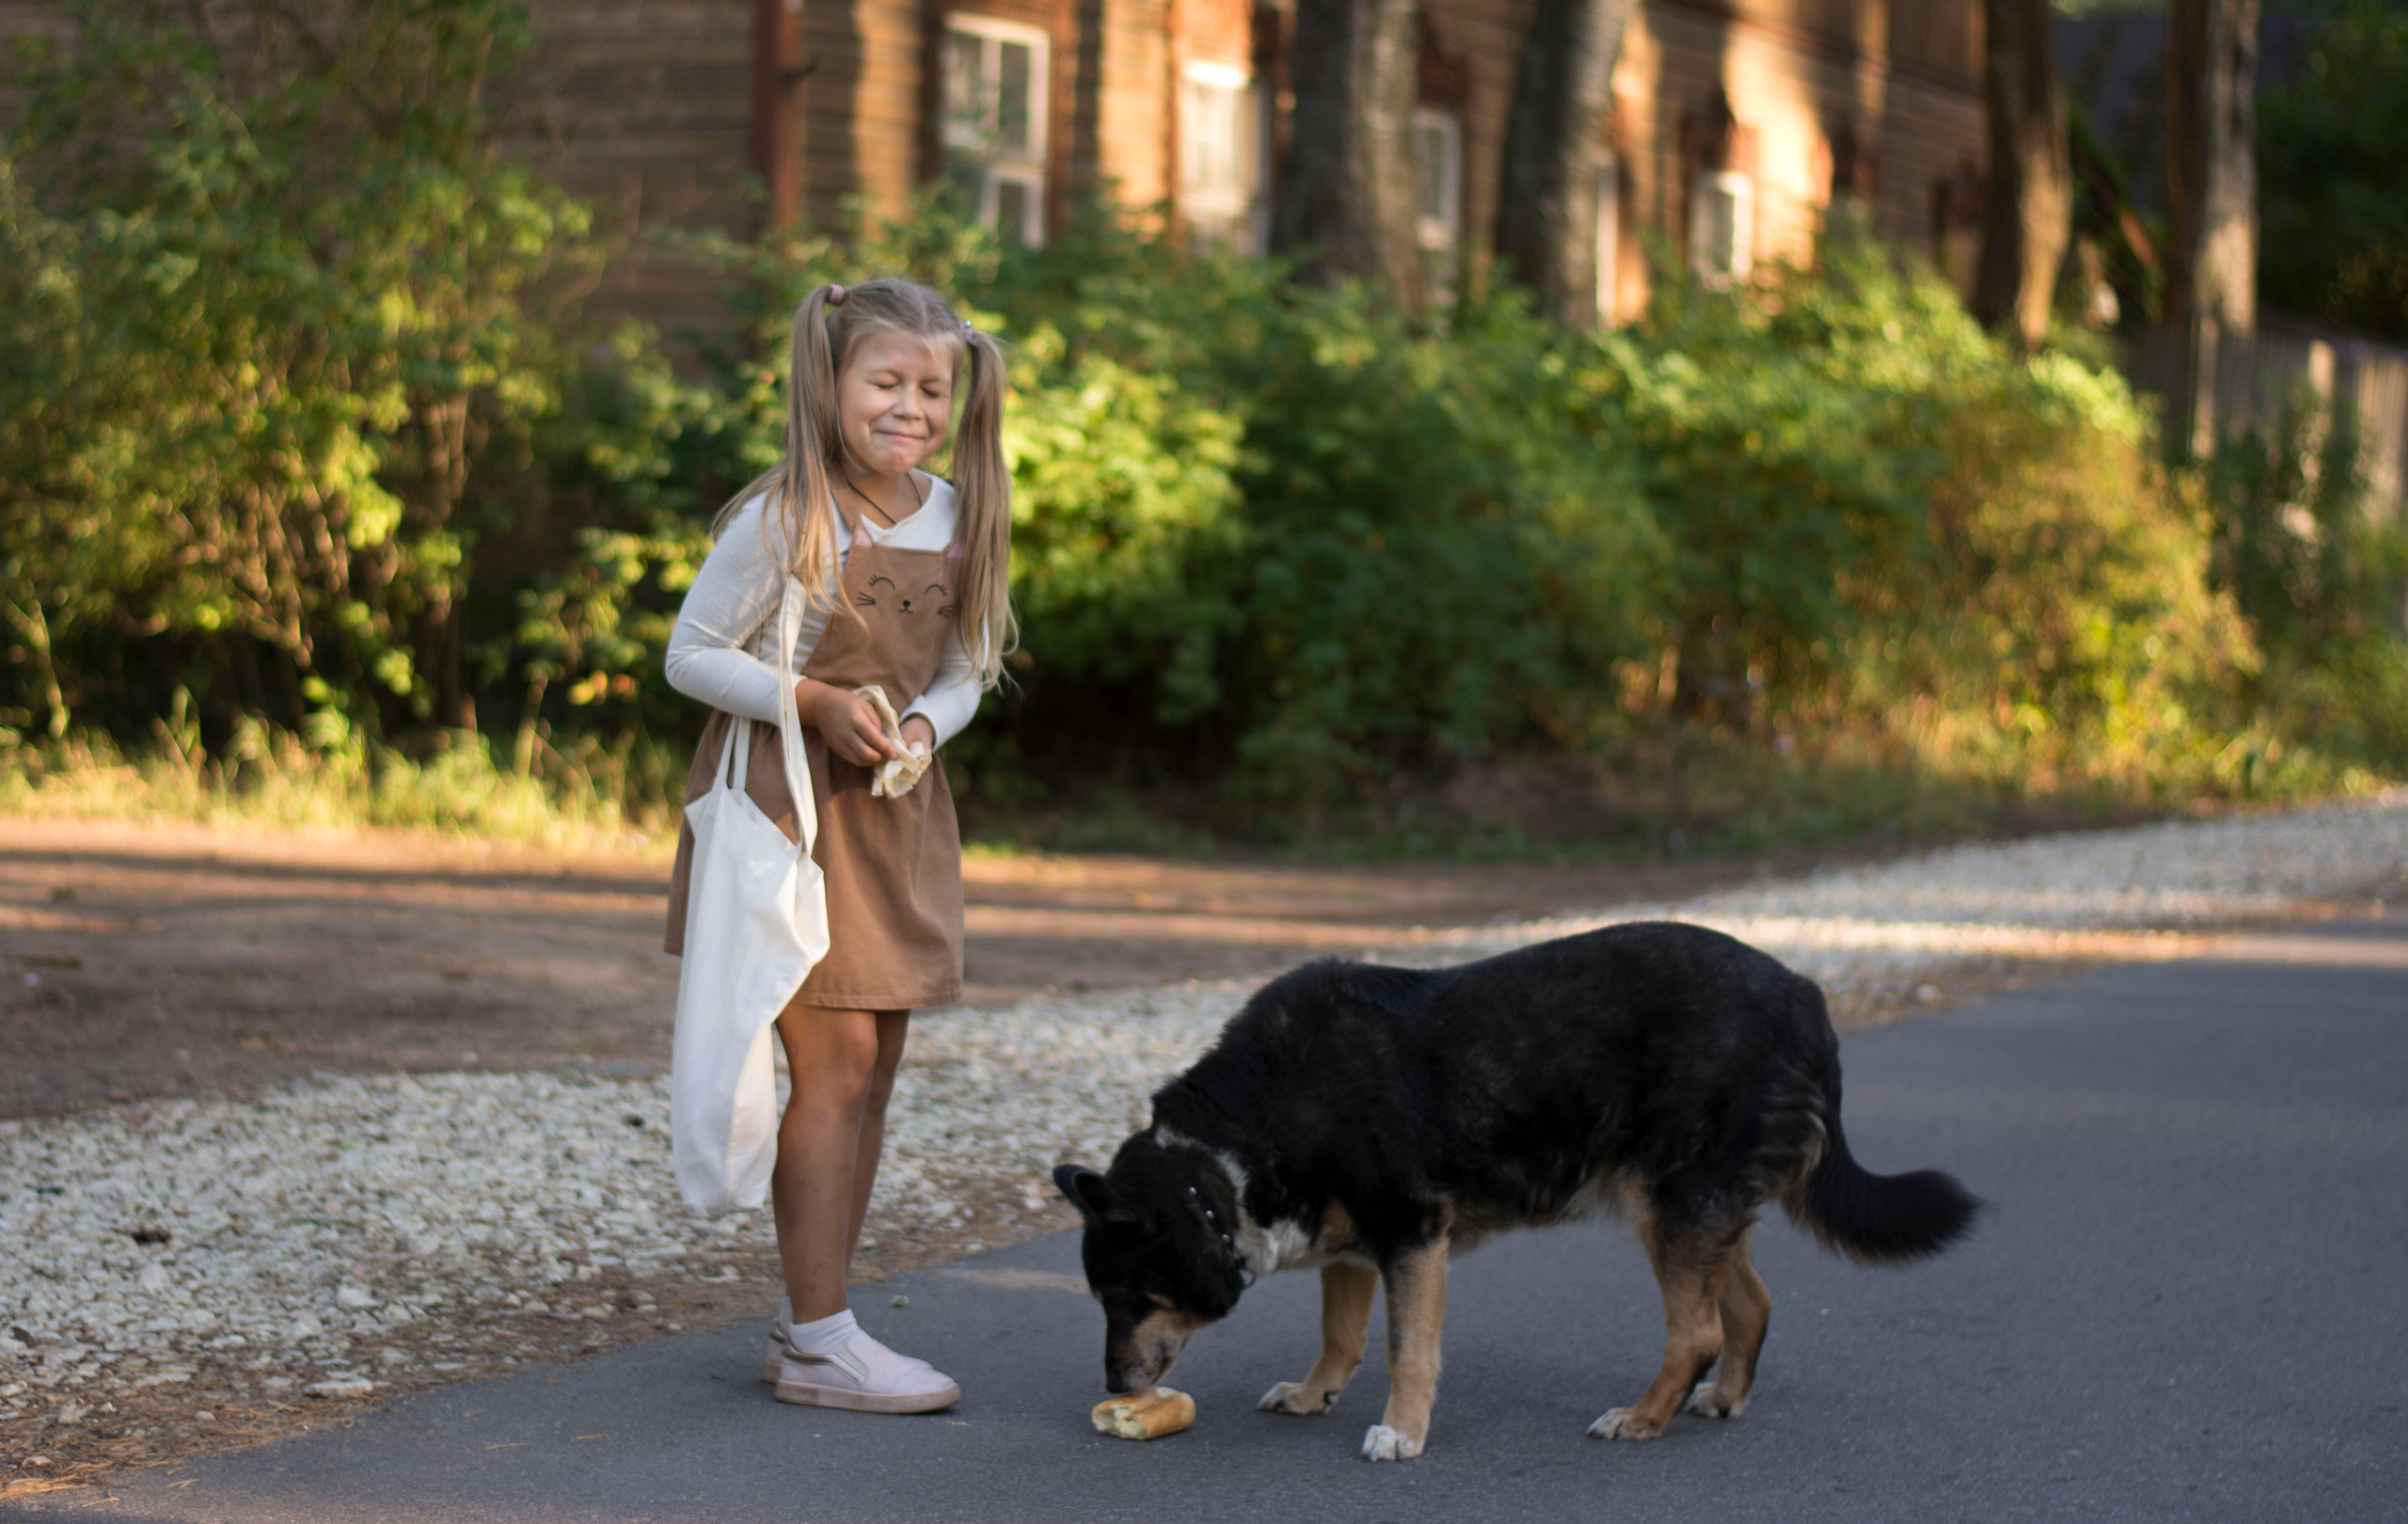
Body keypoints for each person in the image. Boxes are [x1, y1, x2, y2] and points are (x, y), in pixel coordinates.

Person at [661, 278, 1013, 1413]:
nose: (908, 405)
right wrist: (810, 701)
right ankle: (820, 1340)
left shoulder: (956, 513)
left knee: (879, 1067)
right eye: (885, 382)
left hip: (896, 810)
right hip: (790, 812)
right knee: (837, 1066)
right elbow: (690, 654)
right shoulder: (786, 515)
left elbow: (967, 668)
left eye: (930, 387)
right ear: (832, 382)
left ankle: (816, 1319)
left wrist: (921, 722)